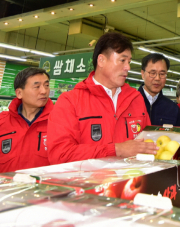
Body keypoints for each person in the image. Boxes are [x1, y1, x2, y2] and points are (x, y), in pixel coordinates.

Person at [48, 33, 157, 164]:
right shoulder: (70, 101)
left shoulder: (135, 98)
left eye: (129, 62)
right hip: (89, 182)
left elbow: (148, 145)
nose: (128, 67)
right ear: (101, 61)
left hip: (131, 182)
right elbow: (60, 154)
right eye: (122, 60)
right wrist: (116, 149)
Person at [0, 67, 54, 174]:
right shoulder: (1, 122)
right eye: (37, 86)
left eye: (46, 86)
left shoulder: (58, 121)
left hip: (44, 189)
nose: (44, 91)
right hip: (6, 188)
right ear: (19, 93)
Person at [138, 53, 180, 126]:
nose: (157, 78)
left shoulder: (172, 108)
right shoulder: (130, 103)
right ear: (143, 74)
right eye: (152, 73)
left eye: (162, 74)